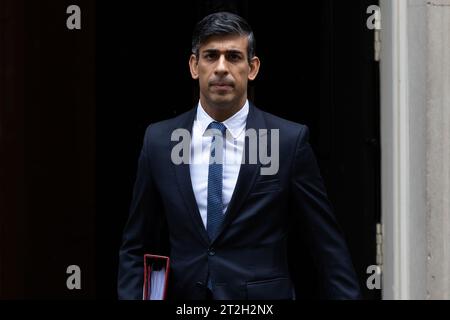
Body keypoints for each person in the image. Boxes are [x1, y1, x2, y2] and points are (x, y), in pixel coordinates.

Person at [118, 11, 361, 300]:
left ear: (253, 68)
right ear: (194, 66)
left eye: (233, 57)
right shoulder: (159, 141)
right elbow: (136, 244)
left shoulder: (287, 141)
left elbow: (326, 246)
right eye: (210, 56)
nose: (221, 68)